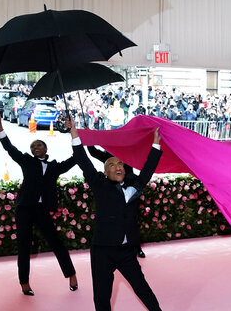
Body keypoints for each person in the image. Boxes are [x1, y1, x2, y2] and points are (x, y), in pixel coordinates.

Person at [68, 119, 162, 311]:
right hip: (102, 251)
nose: (118, 166)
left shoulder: (132, 188)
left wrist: (155, 144)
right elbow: (84, 161)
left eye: (120, 163)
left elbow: (147, 171)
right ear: (105, 172)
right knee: (102, 298)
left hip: (126, 252)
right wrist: (75, 135)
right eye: (112, 164)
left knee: (142, 289)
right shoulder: (99, 184)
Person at [0, 110, 78, 295]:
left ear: (46, 148)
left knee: (56, 242)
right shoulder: (26, 161)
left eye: (39, 145)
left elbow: (76, 158)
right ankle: (24, 282)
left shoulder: (54, 167)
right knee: (24, 245)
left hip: (41, 209)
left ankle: (71, 275)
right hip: (23, 208)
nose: (35, 148)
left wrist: (74, 132)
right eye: (33, 146)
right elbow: (9, 147)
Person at [86, 143, 147, 258]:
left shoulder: (128, 151)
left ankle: (136, 248)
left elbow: (143, 157)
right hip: (113, 192)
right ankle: (116, 247)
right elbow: (93, 152)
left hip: (131, 190)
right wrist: (90, 139)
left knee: (132, 220)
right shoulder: (109, 156)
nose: (118, 166)